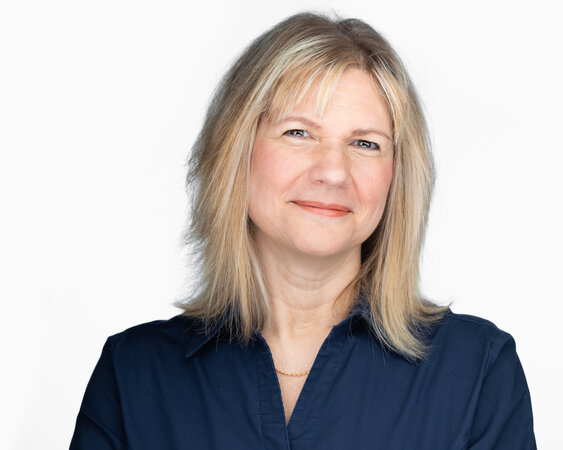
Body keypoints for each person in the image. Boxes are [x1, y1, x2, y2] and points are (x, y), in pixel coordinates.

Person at [69, 12, 536, 449]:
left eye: (365, 143)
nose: (333, 171)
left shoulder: (477, 372)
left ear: (397, 176)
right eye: (298, 133)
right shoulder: (133, 376)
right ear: (236, 151)